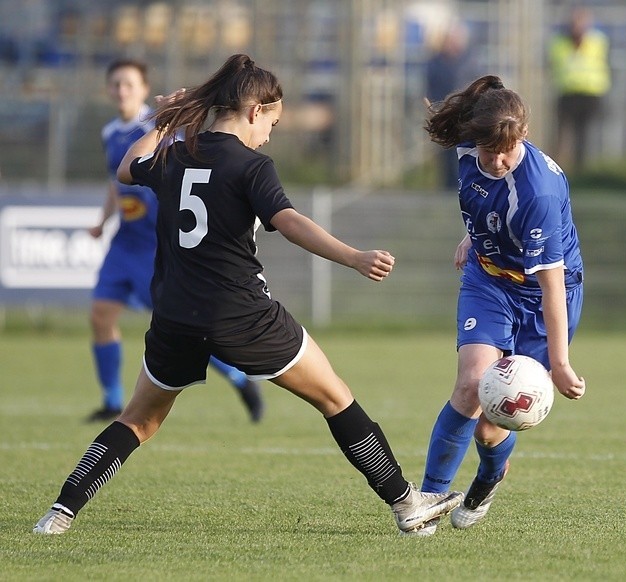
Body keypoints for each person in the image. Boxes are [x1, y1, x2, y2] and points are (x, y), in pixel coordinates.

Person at [33, 54, 462, 536]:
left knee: (137, 422)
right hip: (243, 315)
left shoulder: (177, 154)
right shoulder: (252, 165)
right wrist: (354, 256)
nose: (270, 135)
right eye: (272, 123)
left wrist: (170, 120)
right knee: (336, 398)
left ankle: (60, 513)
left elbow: (128, 169)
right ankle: (407, 505)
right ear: (255, 110)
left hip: (175, 317)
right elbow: (291, 223)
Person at [413, 75, 586, 536]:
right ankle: (427, 501)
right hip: (489, 281)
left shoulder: (539, 194)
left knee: (492, 425)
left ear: (522, 138)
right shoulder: (468, 148)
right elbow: (485, 201)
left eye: (506, 152)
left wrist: (562, 364)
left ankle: (488, 479)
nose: (497, 160)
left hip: (543, 295)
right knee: (471, 387)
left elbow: (549, 285)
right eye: (490, 151)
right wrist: (474, 234)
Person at [87, 58, 264, 423]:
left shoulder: (163, 125)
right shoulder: (108, 132)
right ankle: (110, 400)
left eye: (128, 85)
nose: (121, 90)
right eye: (116, 84)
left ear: (143, 90)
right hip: (124, 243)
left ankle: (237, 377)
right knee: (100, 314)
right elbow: (116, 182)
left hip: (157, 243)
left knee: (182, 327)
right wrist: (102, 220)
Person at [548, 7, 610, 171]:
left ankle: (582, 168)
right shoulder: (559, 43)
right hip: (567, 92)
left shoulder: (597, 41)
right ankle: (557, 167)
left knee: (585, 134)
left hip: (590, 92)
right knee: (562, 133)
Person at [425, 21, 480, 190]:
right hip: (444, 112)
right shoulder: (435, 62)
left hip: (466, 114)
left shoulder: (470, 61)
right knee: (446, 151)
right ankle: (447, 186)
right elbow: (430, 86)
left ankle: (465, 185)